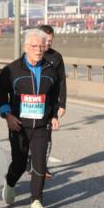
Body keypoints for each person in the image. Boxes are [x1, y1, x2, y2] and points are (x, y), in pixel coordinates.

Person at [0, 28, 61, 208]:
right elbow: (0, 98)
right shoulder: (11, 70)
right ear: (25, 47)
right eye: (34, 46)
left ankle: (36, 201)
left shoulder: (50, 70)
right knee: (20, 163)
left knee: (40, 164)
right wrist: (8, 116)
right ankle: (10, 182)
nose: (38, 50)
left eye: (41, 46)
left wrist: (54, 115)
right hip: (19, 125)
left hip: (41, 125)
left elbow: (54, 96)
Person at [38, 24, 67, 179]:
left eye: (51, 40)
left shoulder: (56, 57)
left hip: (49, 104)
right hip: (31, 103)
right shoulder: (31, 55)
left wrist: (62, 104)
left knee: (46, 136)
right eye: (46, 40)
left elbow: (61, 81)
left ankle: (43, 167)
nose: (48, 43)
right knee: (30, 137)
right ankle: (30, 159)